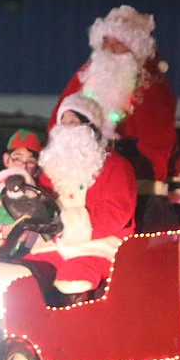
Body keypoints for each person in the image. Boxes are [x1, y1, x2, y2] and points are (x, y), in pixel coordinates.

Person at [48, 5, 180, 232]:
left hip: (131, 194)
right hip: (78, 190)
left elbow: (156, 146)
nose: (110, 48)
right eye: (106, 41)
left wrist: (130, 182)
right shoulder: (85, 75)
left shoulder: (151, 86)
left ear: (135, 47)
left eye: (118, 42)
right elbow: (58, 124)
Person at [26, 93, 137, 298]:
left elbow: (118, 211)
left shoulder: (115, 166)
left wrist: (69, 225)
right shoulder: (50, 168)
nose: (67, 128)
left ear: (90, 127)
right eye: (64, 121)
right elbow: (39, 203)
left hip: (96, 245)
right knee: (25, 276)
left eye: (74, 121)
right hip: (52, 245)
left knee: (74, 279)